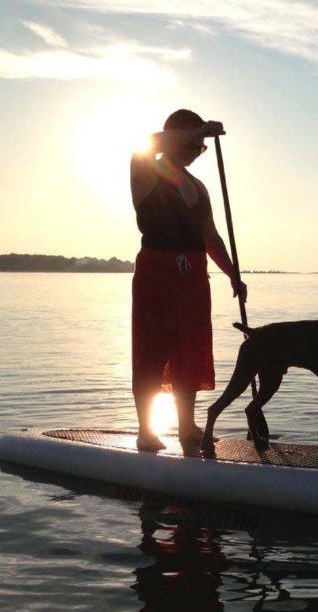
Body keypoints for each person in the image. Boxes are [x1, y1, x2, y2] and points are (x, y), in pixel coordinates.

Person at [130, 109, 248, 453]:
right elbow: (151, 142)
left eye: (201, 148)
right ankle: (145, 431)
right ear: (176, 139)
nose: (198, 152)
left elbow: (210, 235)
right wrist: (199, 130)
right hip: (157, 272)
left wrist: (233, 274)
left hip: (194, 277)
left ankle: (187, 427)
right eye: (194, 145)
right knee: (153, 351)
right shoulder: (144, 168)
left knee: (190, 352)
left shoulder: (199, 187)